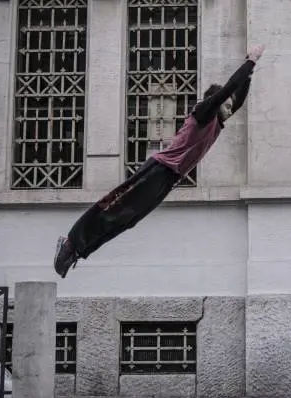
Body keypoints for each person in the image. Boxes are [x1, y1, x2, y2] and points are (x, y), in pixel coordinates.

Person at [53, 45, 266, 278]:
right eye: (226, 105)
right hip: (158, 169)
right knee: (115, 208)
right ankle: (71, 243)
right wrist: (250, 62)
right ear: (216, 103)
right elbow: (228, 90)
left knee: (128, 220)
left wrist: (250, 73)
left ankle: (78, 252)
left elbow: (238, 100)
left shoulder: (218, 124)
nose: (230, 109)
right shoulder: (204, 114)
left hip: (168, 178)